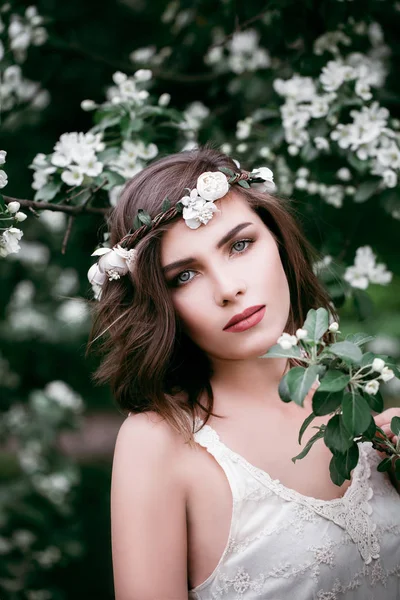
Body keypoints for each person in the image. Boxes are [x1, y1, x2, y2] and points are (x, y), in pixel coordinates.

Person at [87, 146, 400, 600]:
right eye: (184, 276)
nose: (228, 288)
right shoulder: (160, 443)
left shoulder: (353, 396)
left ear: (277, 240)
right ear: (161, 303)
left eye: (239, 244)